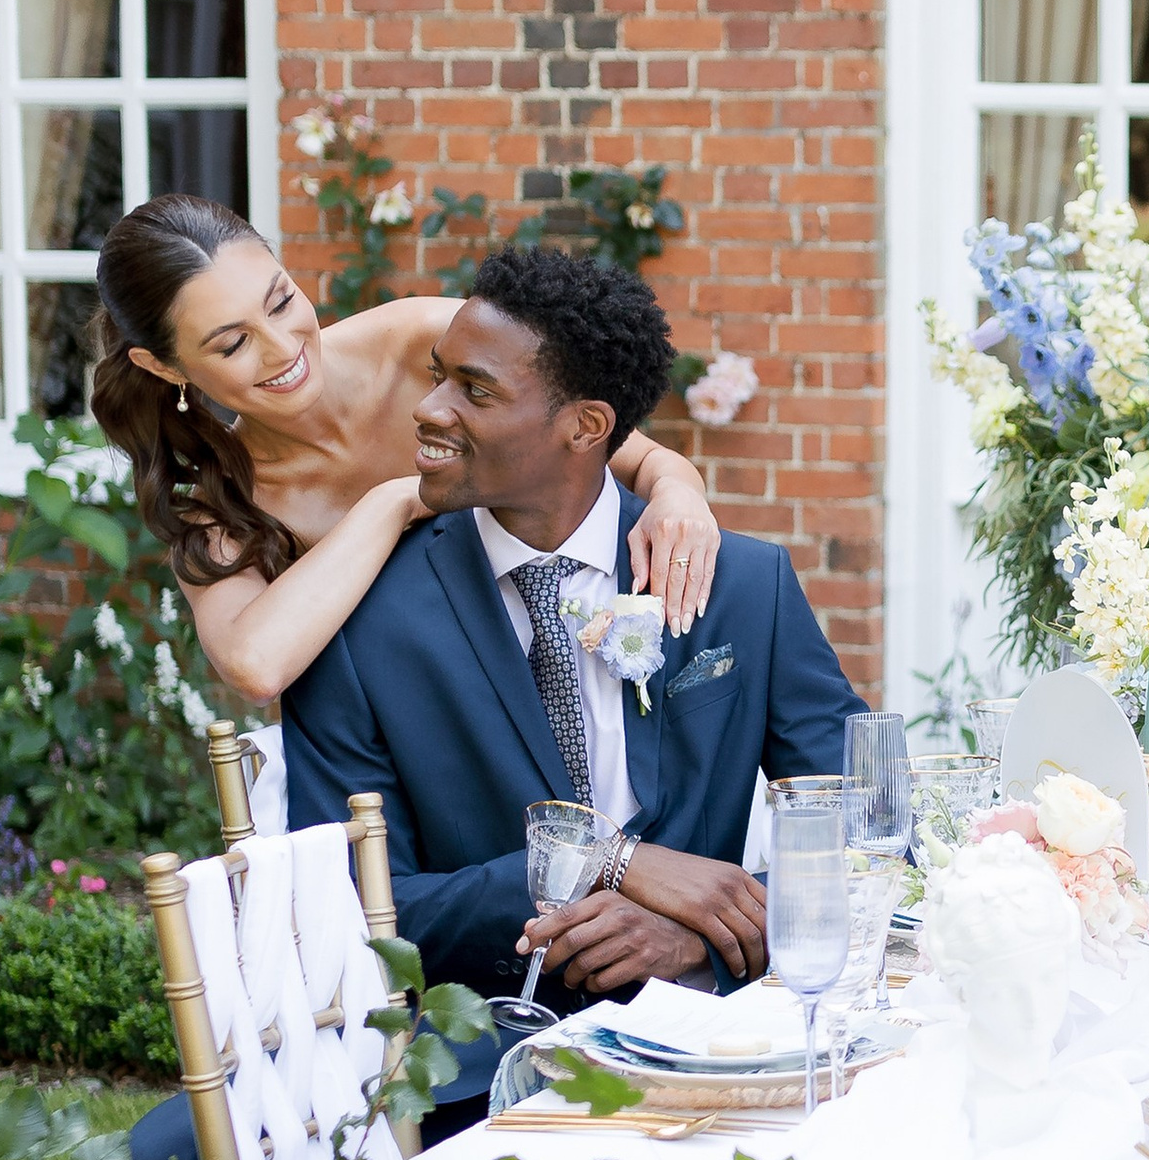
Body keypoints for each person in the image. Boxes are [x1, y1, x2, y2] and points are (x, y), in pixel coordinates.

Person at [275, 246, 862, 1031]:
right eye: (437, 375)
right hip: (480, 1076)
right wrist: (599, 866)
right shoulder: (358, 619)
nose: (430, 409)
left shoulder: (746, 588)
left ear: (585, 427)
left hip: (723, 1042)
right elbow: (345, 899)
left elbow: (866, 836)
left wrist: (697, 936)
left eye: (475, 389)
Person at [89, 194, 722, 705]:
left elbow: (622, 449)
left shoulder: (424, 342)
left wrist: (679, 494)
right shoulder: (220, 505)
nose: (283, 348)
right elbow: (256, 667)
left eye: (281, 302)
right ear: (166, 367)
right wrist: (395, 502)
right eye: (232, 344)